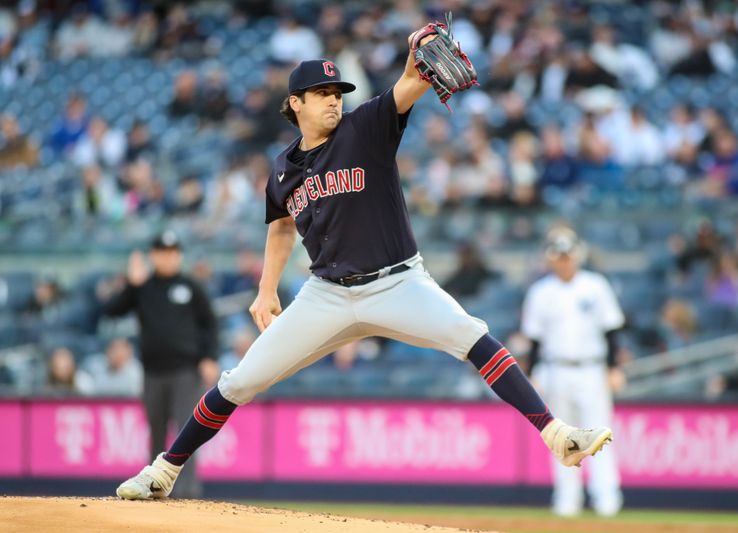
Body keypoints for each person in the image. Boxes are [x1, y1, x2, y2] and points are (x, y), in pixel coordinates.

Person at [116, 22, 612, 501]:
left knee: (472, 335)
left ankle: (556, 435)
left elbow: (411, 82)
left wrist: (416, 52)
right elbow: (282, 225)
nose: (334, 98)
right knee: (239, 381)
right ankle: (164, 470)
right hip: (326, 293)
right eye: (322, 92)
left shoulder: (366, 127)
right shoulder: (282, 170)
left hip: (397, 283)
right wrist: (266, 289)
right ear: (295, 104)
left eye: (337, 90)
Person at [104, 230, 218, 498]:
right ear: (153, 256)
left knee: (185, 432)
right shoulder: (142, 287)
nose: (168, 258)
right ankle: (153, 487)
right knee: (155, 432)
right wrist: (131, 284)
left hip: (186, 371)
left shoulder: (191, 287)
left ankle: (187, 492)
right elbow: (111, 311)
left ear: (179, 256)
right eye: (162, 253)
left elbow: (210, 326)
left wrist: (209, 357)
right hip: (153, 371)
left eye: (173, 253)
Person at [521, 227, 624, 517]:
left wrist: (614, 367)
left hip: (592, 368)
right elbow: (535, 340)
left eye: (567, 256)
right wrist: (531, 374)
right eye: (558, 257)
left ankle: (607, 499)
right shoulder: (541, 291)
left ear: (577, 256)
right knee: (562, 437)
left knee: (600, 433)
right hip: (557, 369)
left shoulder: (595, 285)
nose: (563, 262)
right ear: (550, 259)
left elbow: (612, 330)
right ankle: (567, 500)